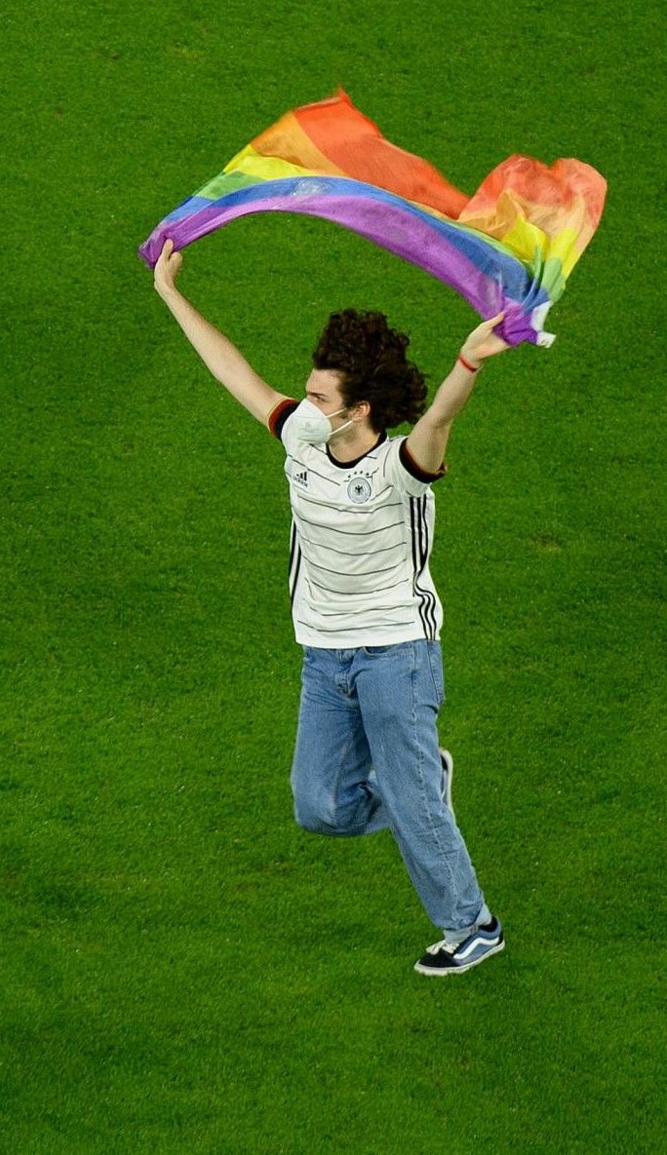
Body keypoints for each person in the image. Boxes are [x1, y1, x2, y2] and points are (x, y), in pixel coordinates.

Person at [152, 238, 508, 976]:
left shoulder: (401, 468)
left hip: (397, 654)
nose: (304, 405)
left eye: (320, 398)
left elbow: (440, 418)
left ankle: (473, 925)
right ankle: (419, 786)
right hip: (324, 653)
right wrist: (171, 294)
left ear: (361, 411)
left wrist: (468, 359)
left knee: (410, 802)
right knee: (320, 807)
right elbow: (230, 370)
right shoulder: (302, 440)